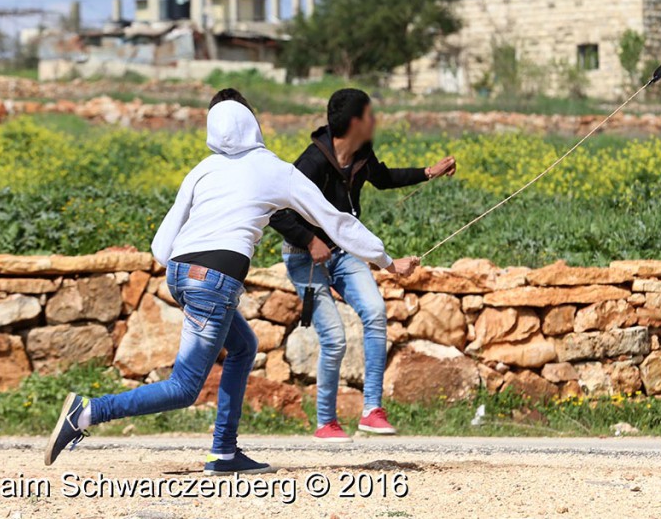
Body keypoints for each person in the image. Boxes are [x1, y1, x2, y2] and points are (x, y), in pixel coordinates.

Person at [45, 88, 418, 473]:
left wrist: (194, 269)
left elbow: (160, 246)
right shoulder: (275, 169)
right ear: (252, 123)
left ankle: (224, 452)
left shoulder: (202, 170)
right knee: (184, 388)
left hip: (180, 274)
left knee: (243, 347)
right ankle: (86, 413)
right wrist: (388, 262)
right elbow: (337, 221)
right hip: (215, 281)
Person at [270, 88, 455, 441]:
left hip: (346, 252)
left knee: (374, 312)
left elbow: (383, 178)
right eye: (370, 115)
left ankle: (372, 410)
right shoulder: (311, 163)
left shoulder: (361, 153)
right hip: (304, 257)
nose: (375, 121)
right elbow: (277, 213)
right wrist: (311, 241)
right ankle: (326, 422)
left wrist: (429, 171)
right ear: (355, 122)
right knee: (335, 339)